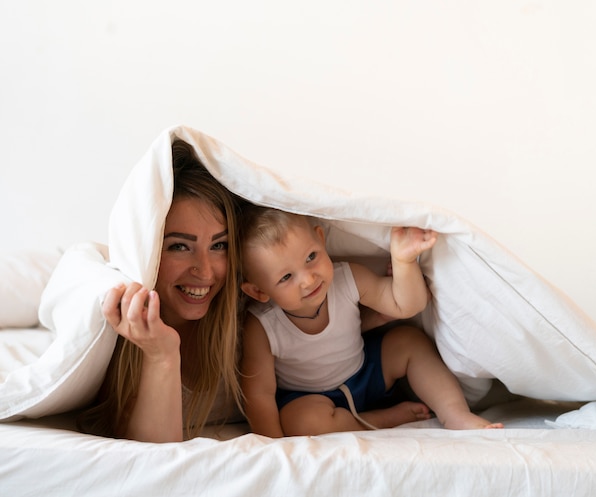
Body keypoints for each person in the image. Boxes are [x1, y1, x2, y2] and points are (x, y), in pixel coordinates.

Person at [239, 206, 503, 437]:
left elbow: (406, 305)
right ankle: (383, 419)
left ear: (321, 240)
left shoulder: (347, 278)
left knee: (408, 341)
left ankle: (455, 414)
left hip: (366, 371)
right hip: (310, 399)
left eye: (311, 257)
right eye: (286, 278)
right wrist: (272, 446)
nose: (309, 280)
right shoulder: (263, 326)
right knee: (301, 422)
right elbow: (258, 394)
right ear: (260, 292)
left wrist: (403, 261)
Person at [77, 139, 243, 442]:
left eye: (218, 245)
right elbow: (154, 458)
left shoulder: (250, 315)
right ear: (149, 252)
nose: (205, 271)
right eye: (179, 246)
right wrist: (161, 355)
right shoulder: (120, 333)